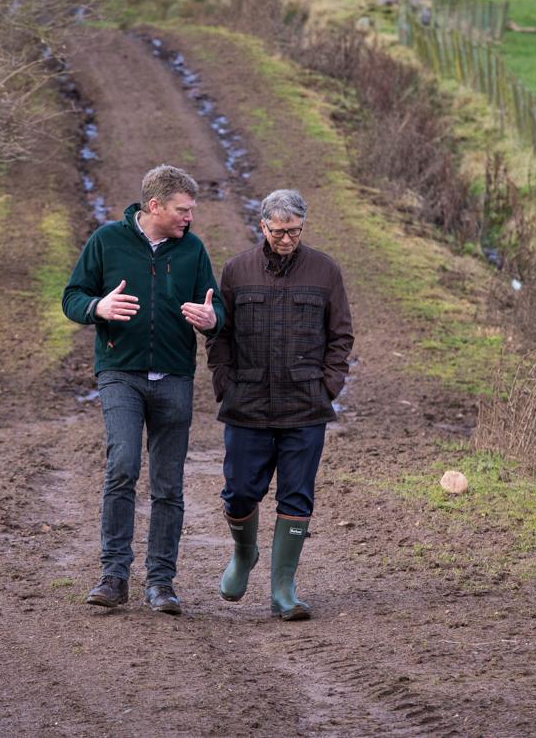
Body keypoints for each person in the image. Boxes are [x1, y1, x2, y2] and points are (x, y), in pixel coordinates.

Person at [62, 165, 224, 615]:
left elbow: (217, 305)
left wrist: (213, 321)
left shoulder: (192, 249)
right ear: (154, 206)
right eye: (182, 210)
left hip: (174, 376)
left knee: (168, 483)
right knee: (123, 465)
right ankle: (113, 576)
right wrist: (99, 306)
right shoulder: (107, 241)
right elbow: (71, 297)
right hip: (120, 373)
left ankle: (161, 583)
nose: (188, 218)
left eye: (190, 211)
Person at [206, 189, 353, 620]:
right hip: (246, 404)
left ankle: (283, 590)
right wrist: (224, 384)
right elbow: (220, 335)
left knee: (296, 496)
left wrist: (328, 385)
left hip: (306, 406)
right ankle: (243, 554)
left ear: (303, 227)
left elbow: (340, 335)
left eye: (294, 231)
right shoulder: (236, 271)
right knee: (238, 493)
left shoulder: (325, 271)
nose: (286, 239)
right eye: (279, 231)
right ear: (262, 226)